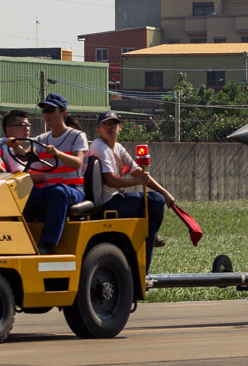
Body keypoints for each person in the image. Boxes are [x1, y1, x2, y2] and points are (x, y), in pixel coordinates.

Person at [89, 111, 172, 270]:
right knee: (155, 203)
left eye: (113, 124)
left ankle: (142, 268)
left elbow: (138, 172)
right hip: (106, 203)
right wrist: (140, 182)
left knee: (152, 215)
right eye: (105, 124)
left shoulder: (117, 148)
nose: (110, 127)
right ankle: (143, 268)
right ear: (98, 129)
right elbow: (111, 181)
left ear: (119, 127)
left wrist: (165, 193)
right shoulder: (99, 147)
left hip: (116, 198)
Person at [20, 93, 89, 254]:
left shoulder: (77, 136)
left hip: (73, 190)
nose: (46, 114)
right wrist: (15, 146)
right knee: (19, 192)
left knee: (58, 192)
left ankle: (47, 243)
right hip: (48, 190)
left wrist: (58, 153)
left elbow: (77, 162)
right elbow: (24, 154)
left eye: (51, 110)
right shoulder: (42, 138)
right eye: (44, 110)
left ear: (63, 113)